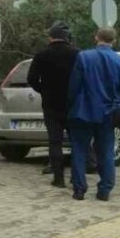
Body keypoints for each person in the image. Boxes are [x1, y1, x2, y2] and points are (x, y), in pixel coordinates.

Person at [66, 27, 120, 201]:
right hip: (108, 112)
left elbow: (74, 85)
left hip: (83, 110)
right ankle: (105, 189)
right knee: (106, 151)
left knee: (79, 149)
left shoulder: (84, 57)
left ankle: (79, 189)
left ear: (96, 37)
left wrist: (70, 105)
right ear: (114, 41)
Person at [28, 22, 80, 187]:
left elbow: (32, 78)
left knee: (55, 142)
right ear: (67, 37)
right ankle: (76, 177)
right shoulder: (77, 54)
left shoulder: (41, 55)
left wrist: (43, 90)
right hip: (72, 104)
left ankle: (58, 178)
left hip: (51, 104)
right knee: (76, 141)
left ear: (50, 37)